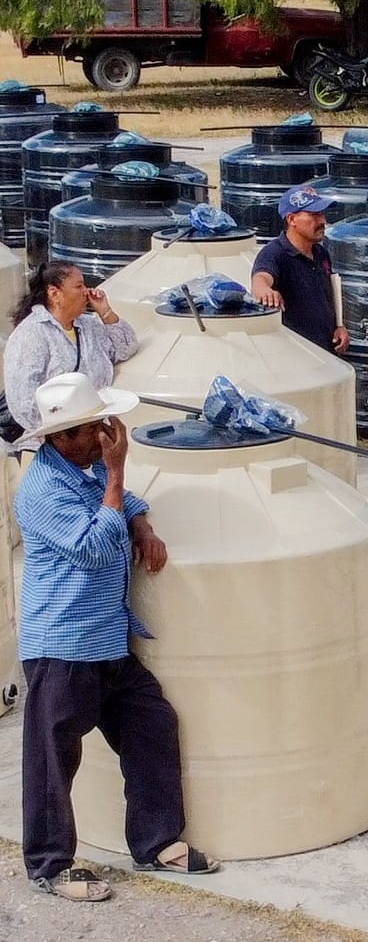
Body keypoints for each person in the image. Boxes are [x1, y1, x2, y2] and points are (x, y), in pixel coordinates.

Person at [16, 372, 219, 902]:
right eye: (89, 430)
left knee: (151, 722)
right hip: (63, 646)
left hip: (107, 640)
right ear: (60, 438)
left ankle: (154, 841)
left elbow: (124, 505)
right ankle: (50, 864)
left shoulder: (82, 471)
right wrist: (115, 471)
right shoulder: (40, 489)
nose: (103, 437)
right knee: (52, 755)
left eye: (102, 426)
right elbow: (94, 550)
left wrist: (143, 526)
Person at [4, 261, 140, 432]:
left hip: (95, 427)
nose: (87, 291)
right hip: (57, 436)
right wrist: (56, 430)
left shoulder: (88, 326)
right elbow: (22, 399)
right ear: (54, 294)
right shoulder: (31, 335)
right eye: (79, 286)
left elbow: (126, 348)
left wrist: (105, 311)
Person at [250, 184, 350, 355]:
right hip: (294, 358)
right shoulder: (275, 253)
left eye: (322, 214)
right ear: (291, 219)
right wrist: (264, 290)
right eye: (314, 215)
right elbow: (261, 277)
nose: (322, 221)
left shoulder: (321, 253)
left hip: (326, 354)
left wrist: (339, 326)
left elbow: (329, 297)